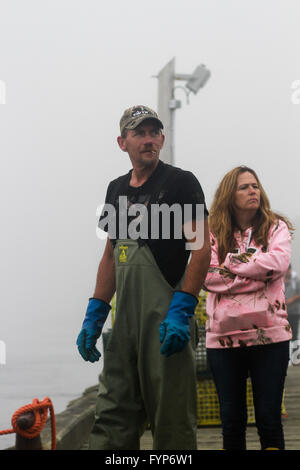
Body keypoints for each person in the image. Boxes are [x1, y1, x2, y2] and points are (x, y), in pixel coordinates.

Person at [76, 105, 211, 450]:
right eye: (139, 133)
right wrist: (95, 313)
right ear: (122, 142)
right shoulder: (115, 190)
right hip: (124, 328)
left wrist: (182, 308)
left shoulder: (181, 183)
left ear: (162, 139)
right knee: (112, 416)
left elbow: (201, 248)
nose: (148, 140)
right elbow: (111, 254)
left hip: (166, 322)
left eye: (154, 133)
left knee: (172, 420)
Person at [204, 166, 294, 450]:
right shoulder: (209, 230)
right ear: (230, 194)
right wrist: (256, 274)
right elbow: (206, 277)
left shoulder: (276, 226)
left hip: (270, 335)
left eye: (255, 185)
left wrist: (230, 264)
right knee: (231, 422)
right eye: (244, 187)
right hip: (222, 339)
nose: (252, 191)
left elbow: (278, 265)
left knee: (269, 420)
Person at [284, 265, 300, 341]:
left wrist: (292, 299)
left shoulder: (296, 280)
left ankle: (296, 352)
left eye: (288, 270)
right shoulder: (281, 280)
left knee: (294, 335)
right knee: (285, 335)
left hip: (294, 312)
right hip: (284, 314)